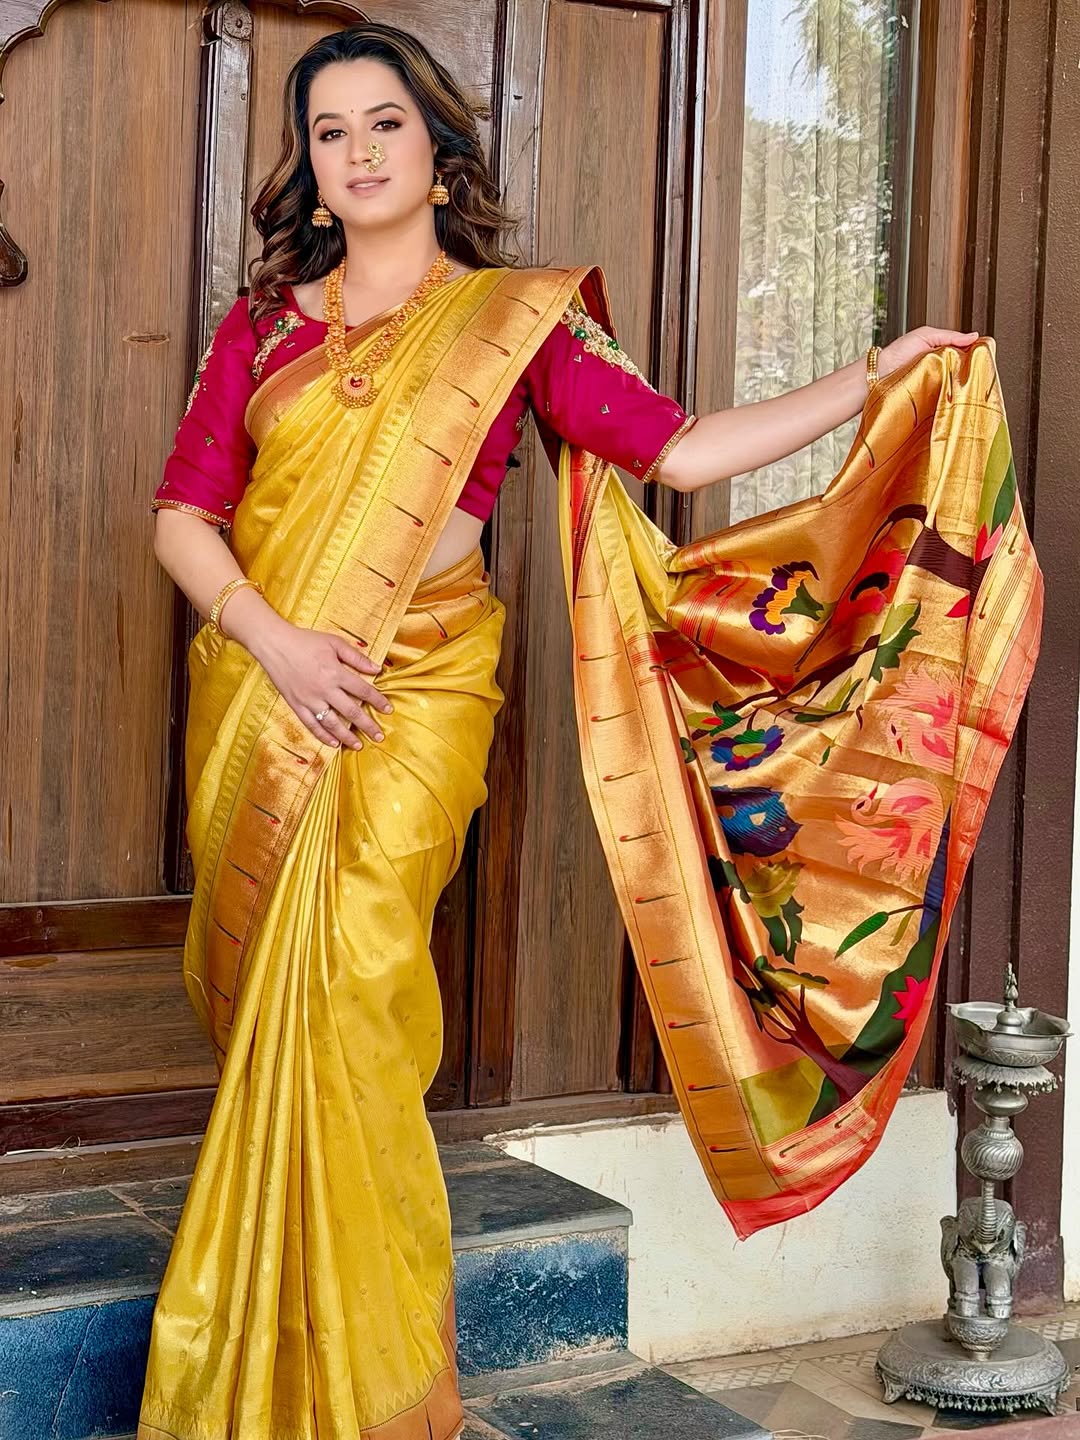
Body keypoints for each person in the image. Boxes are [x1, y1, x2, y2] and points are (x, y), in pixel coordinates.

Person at [138, 20, 1038, 1440]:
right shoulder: (262, 330)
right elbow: (184, 518)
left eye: (387, 125)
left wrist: (873, 380)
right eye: (331, 133)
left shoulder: (519, 320)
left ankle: (368, 1403)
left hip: (417, 694)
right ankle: (259, 1373)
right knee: (283, 1021)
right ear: (309, 172)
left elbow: (674, 448)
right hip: (268, 688)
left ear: (437, 151)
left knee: (360, 1005)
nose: (361, 152)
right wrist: (280, 642)